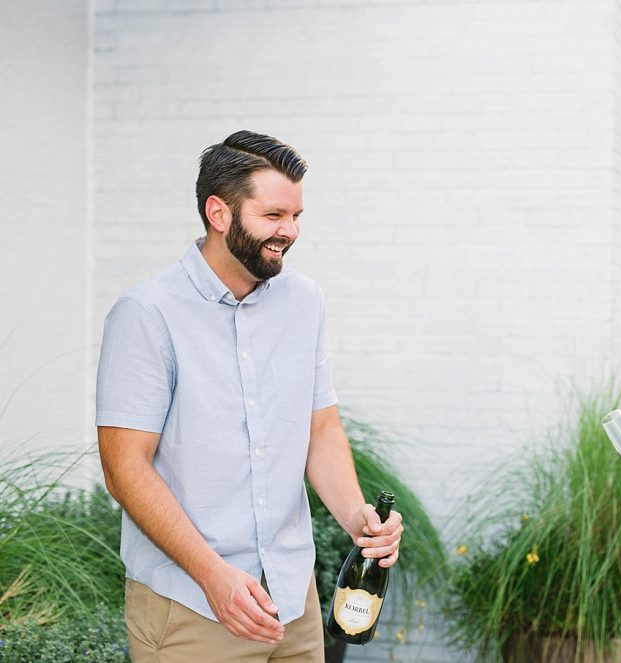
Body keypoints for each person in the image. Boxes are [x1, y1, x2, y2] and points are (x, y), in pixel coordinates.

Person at [96, 130, 403, 662]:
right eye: (273, 216)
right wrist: (213, 576)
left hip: (292, 600)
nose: (290, 231)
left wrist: (357, 517)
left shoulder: (304, 301)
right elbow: (125, 468)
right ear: (219, 213)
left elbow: (320, 427)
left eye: (297, 216)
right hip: (191, 606)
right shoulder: (147, 314)